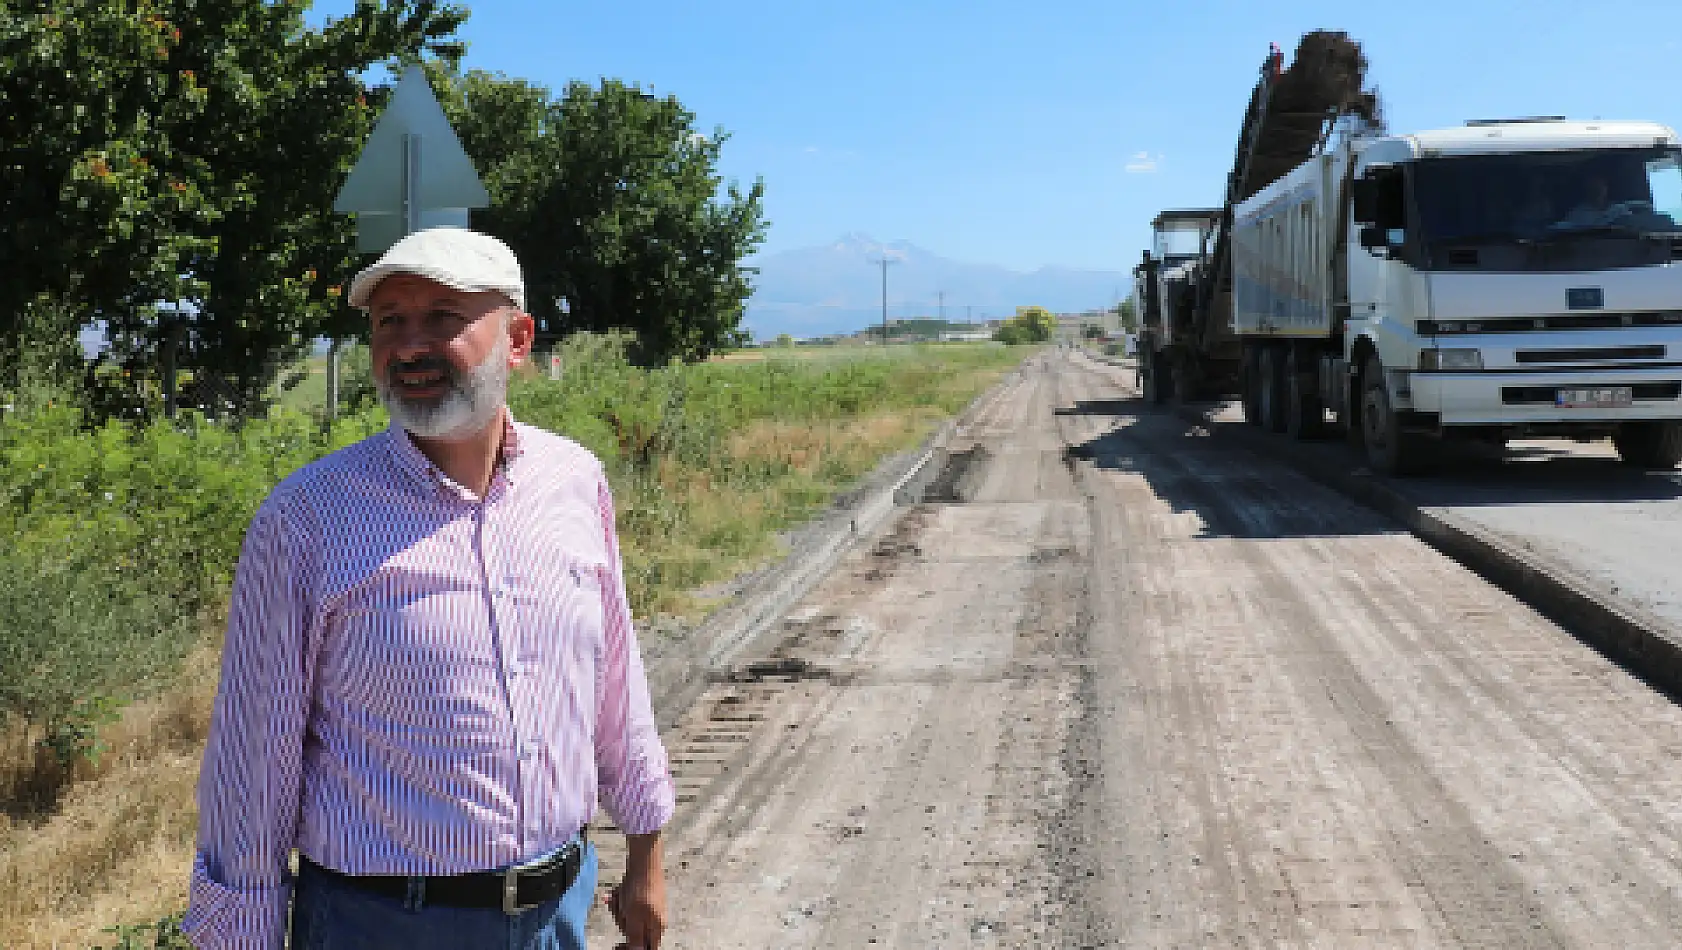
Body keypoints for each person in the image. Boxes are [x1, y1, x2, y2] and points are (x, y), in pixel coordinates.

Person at [181, 227, 676, 950]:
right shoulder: (307, 518)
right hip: (379, 925)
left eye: (443, 318)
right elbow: (253, 766)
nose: (409, 346)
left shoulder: (573, 481)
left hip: (558, 913)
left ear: (517, 339)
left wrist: (647, 855)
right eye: (390, 323)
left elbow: (615, 689)